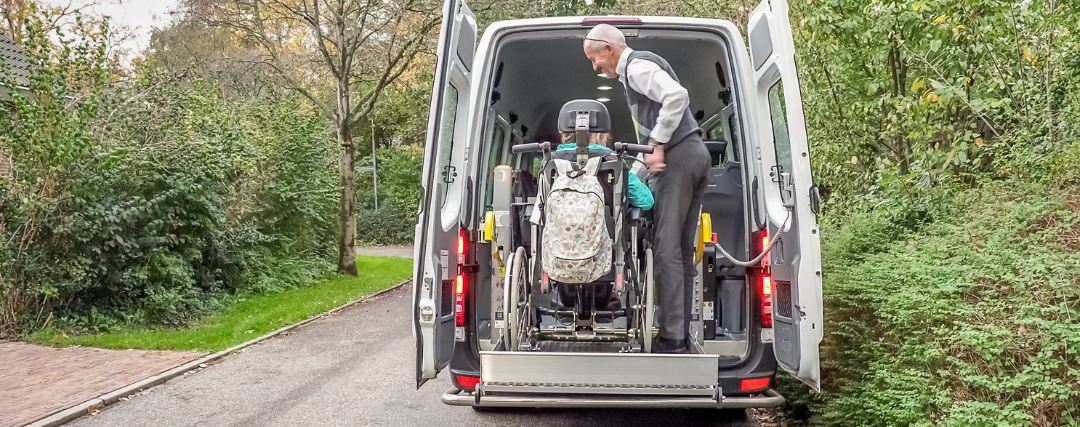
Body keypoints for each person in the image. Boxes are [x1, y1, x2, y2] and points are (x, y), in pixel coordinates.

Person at [583, 24, 710, 354]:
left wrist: (656, 141)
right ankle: (677, 335)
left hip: (678, 159)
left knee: (666, 250)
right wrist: (636, 173)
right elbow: (648, 152)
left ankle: (671, 337)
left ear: (610, 49)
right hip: (693, 154)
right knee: (680, 251)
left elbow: (677, 97)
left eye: (596, 59)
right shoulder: (633, 74)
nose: (595, 66)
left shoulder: (637, 66)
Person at [553, 131, 654, 210]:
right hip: (606, 234)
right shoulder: (613, 161)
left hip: (554, 234)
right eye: (606, 138)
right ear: (598, 136)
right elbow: (645, 201)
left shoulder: (552, 161)